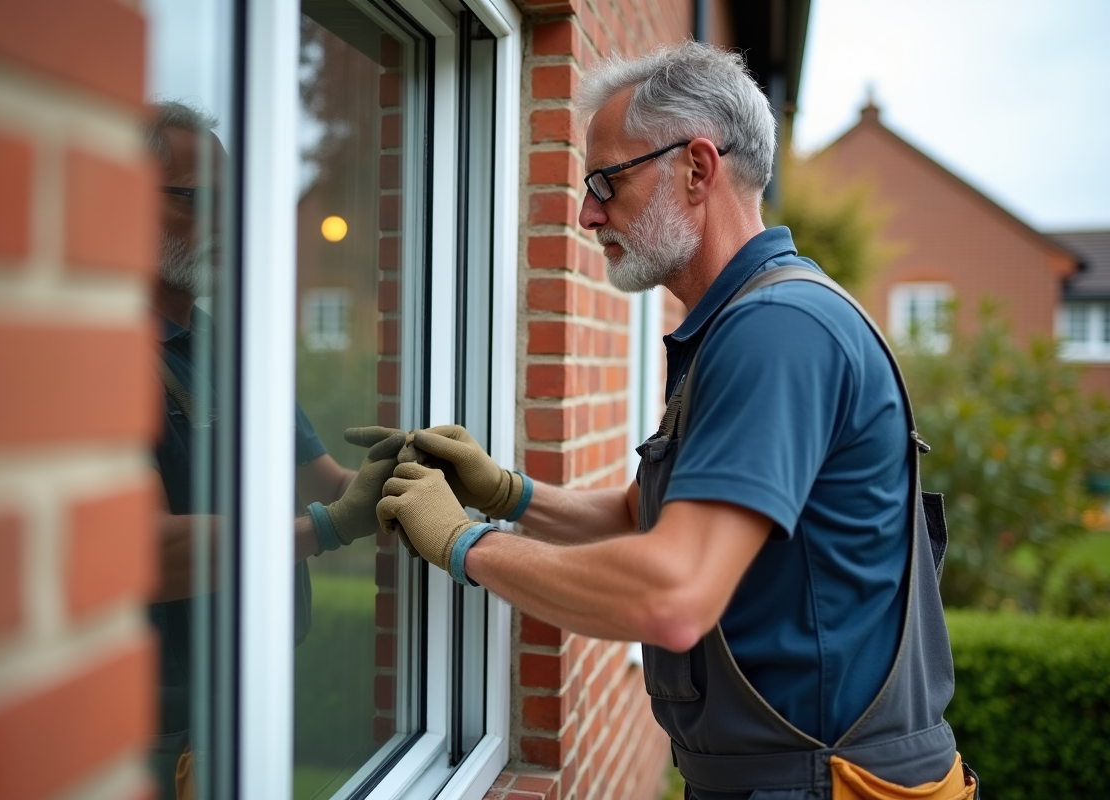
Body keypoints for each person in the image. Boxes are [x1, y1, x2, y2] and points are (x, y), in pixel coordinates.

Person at [376, 43, 977, 800]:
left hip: (824, 785)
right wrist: (506, 493)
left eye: (607, 180)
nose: (588, 212)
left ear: (697, 168)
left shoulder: (777, 331)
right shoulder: (739, 324)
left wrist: (464, 543)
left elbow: (673, 593)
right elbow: (643, 515)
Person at [145, 100, 400, 800]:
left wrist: (407, 479)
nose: (226, 223)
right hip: (159, 737)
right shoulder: (102, 357)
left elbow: (323, 482)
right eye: (203, 200)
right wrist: (324, 529)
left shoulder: (231, 352)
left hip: (245, 707)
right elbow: (144, 552)